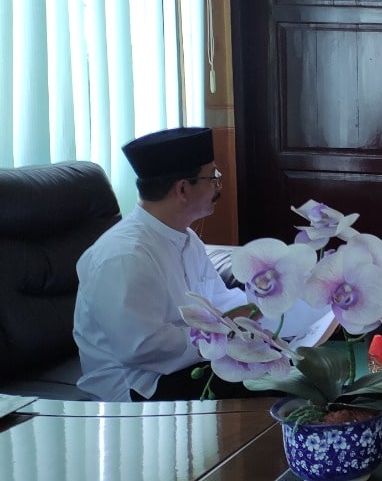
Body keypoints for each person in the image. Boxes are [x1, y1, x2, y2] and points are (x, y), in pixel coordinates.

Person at [74, 127, 258, 401]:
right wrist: (224, 333)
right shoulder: (125, 256)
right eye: (212, 178)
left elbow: (217, 301)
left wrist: (262, 310)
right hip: (138, 385)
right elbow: (142, 347)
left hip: (188, 364)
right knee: (271, 382)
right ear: (182, 189)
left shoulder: (186, 238)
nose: (218, 187)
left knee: (291, 360)